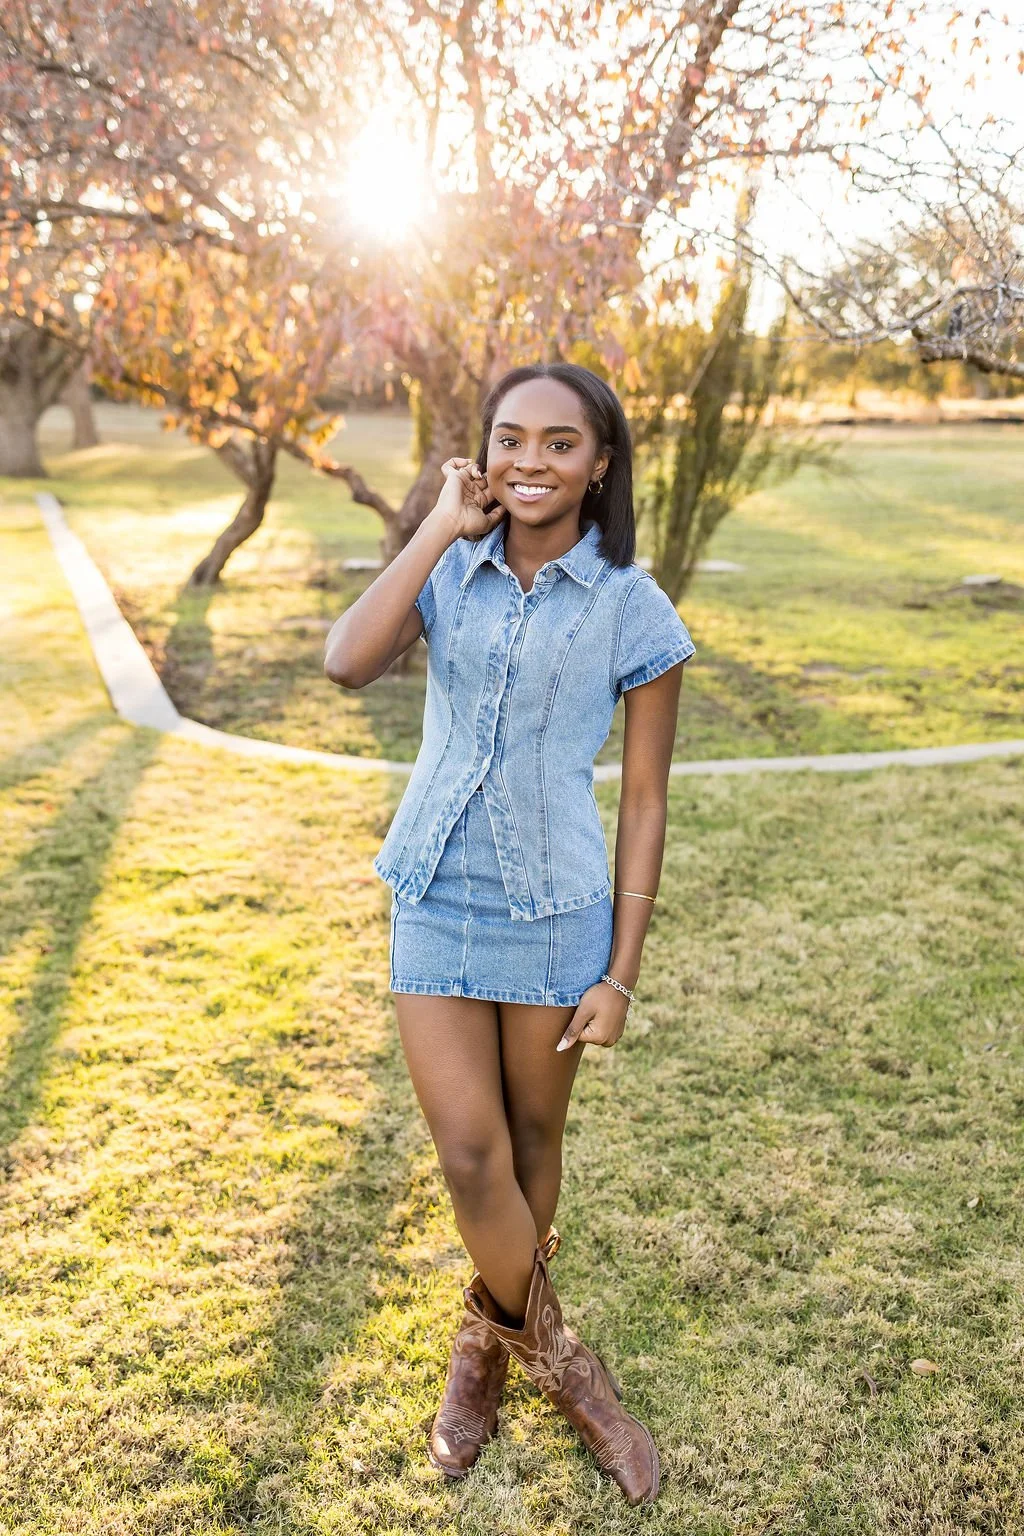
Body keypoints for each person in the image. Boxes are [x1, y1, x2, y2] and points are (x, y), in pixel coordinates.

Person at [324, 362, 695, 1507]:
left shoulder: (634, 607)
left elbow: (642, 802)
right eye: (509, 438)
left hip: (555, 916)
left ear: (600, 464)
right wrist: (439, 522)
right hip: (436, 892)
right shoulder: (450, 567)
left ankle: (481, 1349)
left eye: (559, 444)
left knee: (534, 1150)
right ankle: (578, 1380)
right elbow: (345, 661)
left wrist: (621, 976)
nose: (531, 462)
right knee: (471, 1156)